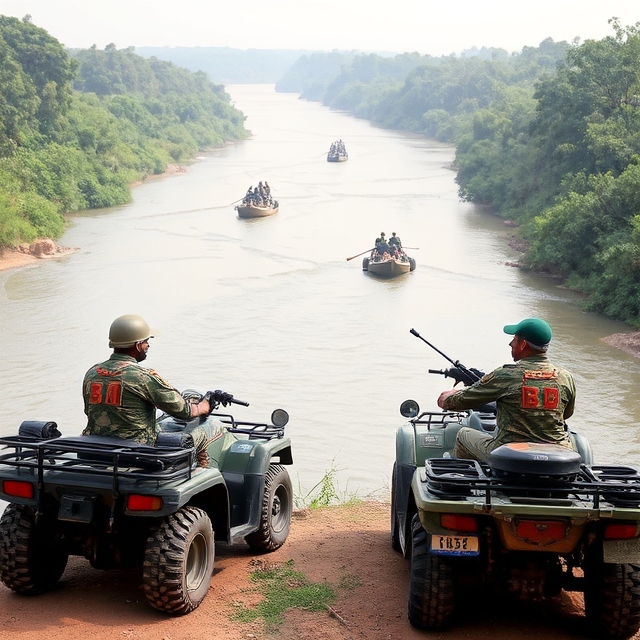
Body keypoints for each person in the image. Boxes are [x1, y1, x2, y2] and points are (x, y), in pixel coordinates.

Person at [82, 314, 230, 467]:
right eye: (146, 341)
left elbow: (90, 411)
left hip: (97, 448)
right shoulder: (143, 377)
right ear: (138, 345)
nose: (148, 345)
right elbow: (185, 412)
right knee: (209, 428)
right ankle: (201, 471)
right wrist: (204, 405)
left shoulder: (92, 373)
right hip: (138, 451)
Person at [437, 318, 576, 463]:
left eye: (514, 339)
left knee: (463, 434)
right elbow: (566, 414)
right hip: (559, 456)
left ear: (522, 345)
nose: (510, 344)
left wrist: (449, 397)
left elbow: (453, 402)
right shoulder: (566, 377)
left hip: (511, 455)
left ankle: (461, 480)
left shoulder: (506, 375)